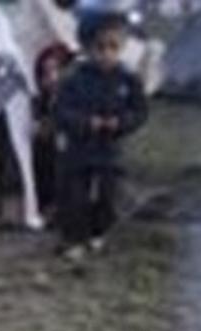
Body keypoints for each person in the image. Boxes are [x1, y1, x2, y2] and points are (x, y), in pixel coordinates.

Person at [53, 12, 147, 259]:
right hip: (79, 148)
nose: (107, 55)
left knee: (107, 194)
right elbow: (61, 110)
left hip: (110, 148)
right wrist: (85, 123)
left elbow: (139, 111)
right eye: (100, 48)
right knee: (75, 195)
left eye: (113, 48)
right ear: (87, 48)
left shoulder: (128, 79)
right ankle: (73, 239)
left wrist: (121, 123)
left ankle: (98, 232)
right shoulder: (74, 78)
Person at [31, 42, 75, 222]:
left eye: (55, 70)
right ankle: (46, 204)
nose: (51, 77)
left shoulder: (72, 94)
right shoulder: (42, 97)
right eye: (46, 73)